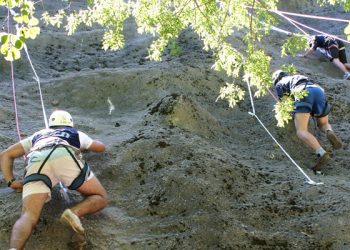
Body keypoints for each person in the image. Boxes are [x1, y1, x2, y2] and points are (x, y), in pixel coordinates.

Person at [0, 110, 108, 250]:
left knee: (28, 216)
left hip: (37, 160)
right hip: (64, 154)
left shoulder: (37, 135)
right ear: (70, 124)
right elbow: (100, 147)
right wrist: (86, 145)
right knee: (100, 197)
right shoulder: (75, 133)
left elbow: (6, 154)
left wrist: (11, 181)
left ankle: (14, 248)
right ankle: (74, 213)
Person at [272, 70, 343, 172]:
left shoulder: (279, 84)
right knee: (323, 123)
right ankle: (329, 132)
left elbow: (285, 105)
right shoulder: (297, 77)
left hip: (303, 93)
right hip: (318, 91)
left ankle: (322, 153)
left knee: (301, 131)